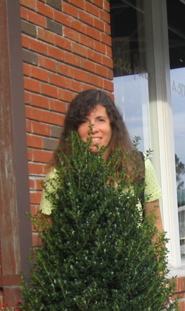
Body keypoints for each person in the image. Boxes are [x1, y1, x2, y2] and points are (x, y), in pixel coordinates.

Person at [39, 89, 163, 234]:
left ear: (113, 125)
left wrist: (156, 256)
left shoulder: (139, 165)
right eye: (84, 121)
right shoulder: (59, 175)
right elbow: (46, 234)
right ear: (74, 129)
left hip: (134, 257)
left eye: (100, 120)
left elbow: (155, 223)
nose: (93, 129)